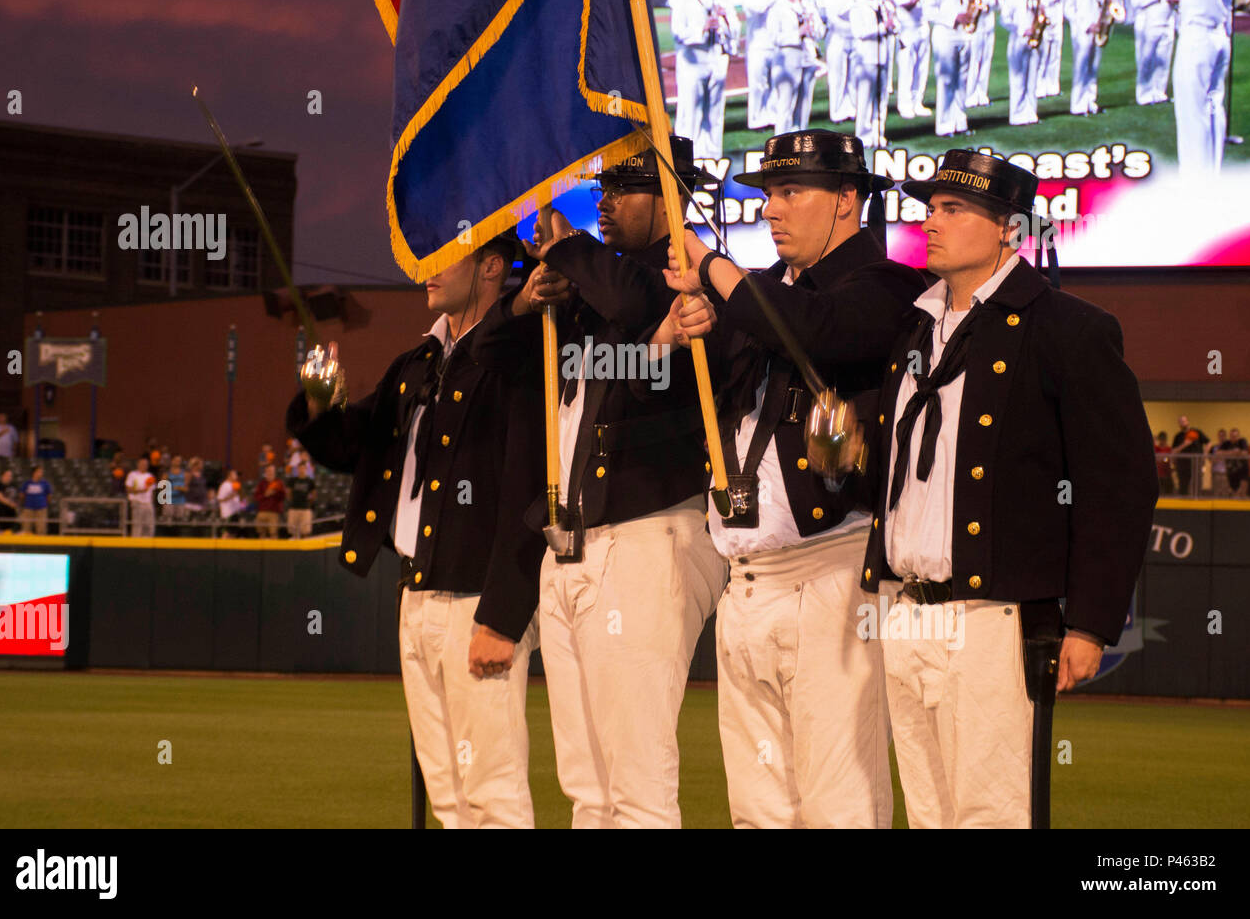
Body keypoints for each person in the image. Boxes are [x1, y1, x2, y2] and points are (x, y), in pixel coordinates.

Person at [860, 150, 1158, 827]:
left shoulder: (1069, 329)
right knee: (931, 815)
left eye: (954, 208)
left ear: (1010, 230)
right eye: (930, 207)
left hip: (992, 619)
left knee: (991, 814)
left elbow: (1120, 485)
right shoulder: (912, 325)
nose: (932, 222)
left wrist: (1088, 621)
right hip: (904, 610)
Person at [652, 129, 924, 827]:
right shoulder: (757, 297)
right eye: (767, 193)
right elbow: (682, 399)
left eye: (789, 191)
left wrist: (711, 263)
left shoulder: (889, 286)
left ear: (847, 200)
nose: (770, 209)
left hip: (833, 571)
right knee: (759, 809)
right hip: (745, 579)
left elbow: (817, 332)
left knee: (840, 803)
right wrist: (683, 336)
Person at [476, 138, 727, 828]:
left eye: (626, 187)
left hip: (650, 533)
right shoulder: (588, 284)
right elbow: (487, 357)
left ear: (670, 198)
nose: (606, 202)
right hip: (574, 541)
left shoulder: (684, 276)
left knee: (637, 784)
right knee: (589, 787)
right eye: (604, 187)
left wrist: (564, 250)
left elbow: (632, 301)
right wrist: (527, 299)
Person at [290, 234, 545, 828]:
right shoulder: (416, 364)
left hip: (477, 600)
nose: (424, 270)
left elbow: (527, 492)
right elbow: (353, 446)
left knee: (492, 793)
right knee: (450, 797)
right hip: (416, 593)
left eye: (442, 257)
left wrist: (502, 617)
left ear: (490, 268)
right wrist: (319, 404)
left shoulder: (515, 359)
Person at [1141, 0, 1240, 174]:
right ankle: (1211, 172)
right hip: (1219, 38)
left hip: (1197, 40)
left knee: (1191, 110)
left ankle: (1194, 180)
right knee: (1213, 106)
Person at [669, 0, 738, 160]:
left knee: (715, 112)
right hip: (693, 62)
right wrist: (703, 28)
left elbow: (735, 28)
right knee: (691, 111)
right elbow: (678, 32)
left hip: (717, 60)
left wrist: (724, 19)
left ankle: (713, 156)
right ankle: (687, 158)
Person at [922, 0, 974, 138]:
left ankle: (960, 121)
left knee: (962, 79)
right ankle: (944, 125)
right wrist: (953, 17)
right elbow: (929, 11)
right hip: (946, 34)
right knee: (946, 80)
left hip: (965, 34)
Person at [768, 0, 822, 135]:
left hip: (807, 58)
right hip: (787, 60)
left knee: (804, 106)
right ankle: (780, 148)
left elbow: (820, 30)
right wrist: (797, 34)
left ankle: (800, 148)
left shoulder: (807, 5)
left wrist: (813, 29)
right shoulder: (777, 7)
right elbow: (774, 37)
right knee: (785, 107)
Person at [848, 0, 897, 150]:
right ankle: (863, 136)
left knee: (881, 98)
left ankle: (878, 134)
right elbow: (859, 32)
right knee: (865, 98)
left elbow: (894, 23)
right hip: (865, 57)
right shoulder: (858, 6)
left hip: (882, 55)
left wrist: (892, 25)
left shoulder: (884, 4)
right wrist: (883, 28)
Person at [1064, 0, 1108, 116]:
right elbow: (1068, 9)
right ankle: (1078, 104)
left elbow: (1103, 3)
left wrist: (1104, 21)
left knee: (1093, 67)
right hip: (1082, 30)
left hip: (1098, 28)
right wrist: (1086, 24)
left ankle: (1090, 100)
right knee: (1081, 67)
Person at [1129, 0, 1176, 105]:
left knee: (1164, 57)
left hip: (1167, 19)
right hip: (1146, 19)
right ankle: (1144, 93)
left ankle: (1159, 91)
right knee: (1146, 57)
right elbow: (1136, 2)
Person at [1002, 0, 1043, 126]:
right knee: (1018, 79)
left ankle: (1031, 112)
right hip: (1018, 40)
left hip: (1034, 40)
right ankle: (1017, 115)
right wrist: (1021, 29)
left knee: (1032, 79)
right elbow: (1004, 20)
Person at [743, 0, 781, 130]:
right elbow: (760, 8)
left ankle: (771, 116)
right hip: (758, 46)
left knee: (774, 84)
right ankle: (756, 119)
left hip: (775, 44)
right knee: (758, 85)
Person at [893, 0, 931, 119]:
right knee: (907, 69)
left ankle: (918, 102)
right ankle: (905, 105)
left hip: (923, 27)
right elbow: (907, 6)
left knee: (921, 69)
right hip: (907, 29)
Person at [822, 0, 858, 123]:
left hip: (853, 38)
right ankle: (836, 112)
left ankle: (851, 108)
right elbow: (833, 18)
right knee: (837, 77)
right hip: (838, 37)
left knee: (852, 76)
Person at [964, 0, 997, 108]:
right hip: (976, 28)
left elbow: (998, 5)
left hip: (989, 28)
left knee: (986, 60)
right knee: (974, 61)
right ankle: (970, 94)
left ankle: (982, 92)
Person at [1034, 0, 1065, 98]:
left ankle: (1053, 85)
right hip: (1045, 21)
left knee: (1055, 55)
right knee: (1043, 55)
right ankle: (1039, 86)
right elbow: (1042, 1)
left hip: (1057, 20)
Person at [1170, 415, 1208, 496]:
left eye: (1184, 421)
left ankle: (1197, 499)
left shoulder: (1196, 432)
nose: (1183, 423)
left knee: (1196, 482)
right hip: (1183, 464)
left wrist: (1204, 455)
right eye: (1180, 422)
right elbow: (1173, 451)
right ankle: (1183, 501)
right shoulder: (1178, 436)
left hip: (1196, 463)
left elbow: (1208, 443)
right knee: (1183, 483)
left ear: (1188, 422)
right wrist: (1184, 444)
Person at [125, 456, 156, 537]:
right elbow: (128, 489)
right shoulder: (132, 474)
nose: (144, 465)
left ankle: (148, 543)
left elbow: (152, 492)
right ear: (138, 464)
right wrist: (140, 491)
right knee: (137, 524)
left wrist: (151, 502)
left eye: (146, 464)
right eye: (142, 464)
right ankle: (136, 543)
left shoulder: (150, 476)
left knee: (149, 525)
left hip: (148, 503)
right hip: (137, 502)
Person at [252, 464, 285, 538]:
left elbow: (283, 497)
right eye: (268, 471)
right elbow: (256, 497)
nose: (270, 472)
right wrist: (265, 495)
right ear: (265, 472)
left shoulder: (279, 483)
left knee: (273, 533)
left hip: (274, 512)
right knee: (261, 533)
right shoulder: (261, 483)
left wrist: (275, 493)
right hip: (262, 511)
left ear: (274, 472)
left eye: (272, 471)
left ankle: (274, 549)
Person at [285, 462, 316, 538]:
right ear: (297, 469)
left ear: (306, 469)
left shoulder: (310, 481)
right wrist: (292, 500)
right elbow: (288, 492)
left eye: (303, 468)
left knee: (305, 532)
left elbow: (314, 494)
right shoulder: (292, 480)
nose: (301, 470)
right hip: (294, 508)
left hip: (305, 508)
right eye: (300, 468)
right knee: (293, 532)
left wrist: (309, 502)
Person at [19, 465, 52, 535]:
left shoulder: (45, 483)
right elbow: (22, 495)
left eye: (41, 472)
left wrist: (44, 504)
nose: (41, 473)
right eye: (39, 472)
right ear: (34, 473)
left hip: (41, 509)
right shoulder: (27, 483)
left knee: (41, 529)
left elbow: (49, 496)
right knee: (26, 528)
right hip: (28, 509)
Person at [1223, 427, 1250, 498]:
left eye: (1235, 436)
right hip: (1231, 472)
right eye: (1232, 436)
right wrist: (1232, 452)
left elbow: (1245, 453)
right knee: (1232, 492)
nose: (1233, 438)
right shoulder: (1226, 443)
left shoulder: (1242, 441)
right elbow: (1218, 453)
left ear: (1238, 436)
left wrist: (1239, 452)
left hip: (1242, 470)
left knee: (1242, 492)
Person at [217, 469, 244, 536]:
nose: (236, 476)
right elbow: (220, 499)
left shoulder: (235, 485)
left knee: (233, 533)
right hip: (228, 514)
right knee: (226, 532)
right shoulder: (225, 485)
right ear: (229, 476)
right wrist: (230, 496)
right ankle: (222, 546)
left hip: (235, 513)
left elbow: (239, 498)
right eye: (234, 474)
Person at [0, 468, 20, 533]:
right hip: (2, 513)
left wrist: (16, 504)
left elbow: (17, 497)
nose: (9, 477)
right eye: (7, 475)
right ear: (3, 476)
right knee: (0, 532)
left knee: (11, 532)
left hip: (12, 514)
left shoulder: (14, 486)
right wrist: (10, 503)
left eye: (10, 476)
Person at [1153, 431, 1174, 496]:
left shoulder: (1168, 449)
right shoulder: (1156, 448)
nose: (1162, 441)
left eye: (1163, 439)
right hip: (1158, 474)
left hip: (1167, 473)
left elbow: (1170, 459)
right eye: (1161, 439)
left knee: (1168, 491)